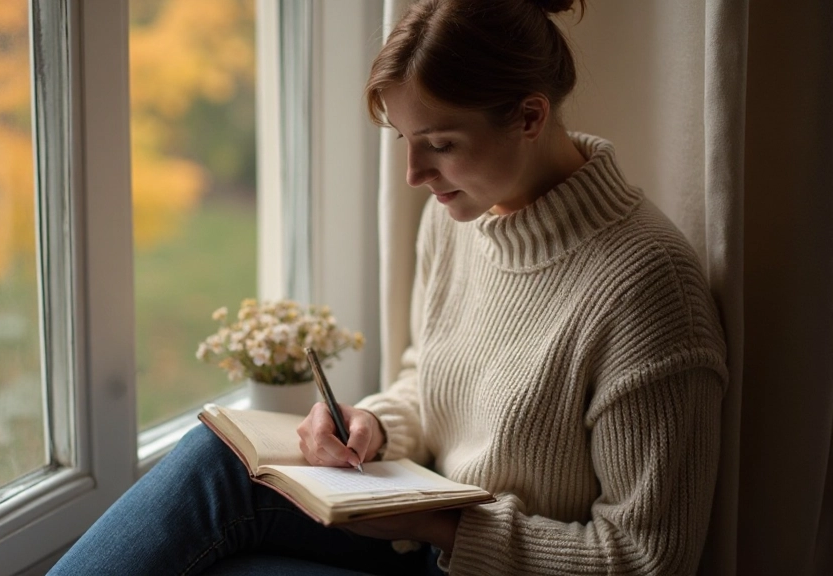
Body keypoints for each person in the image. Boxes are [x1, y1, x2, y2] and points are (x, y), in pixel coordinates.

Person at [49, 0, 727, 573]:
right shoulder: (461, 217)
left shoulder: (648, 289)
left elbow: (645, 558)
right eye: (404, 140)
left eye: (439, 143)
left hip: (473, 555)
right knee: (222, 461)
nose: (414, 174)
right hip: (428, 542)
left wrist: (444, 526)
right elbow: (426, 381)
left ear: (529, 117)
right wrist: (374, 425)